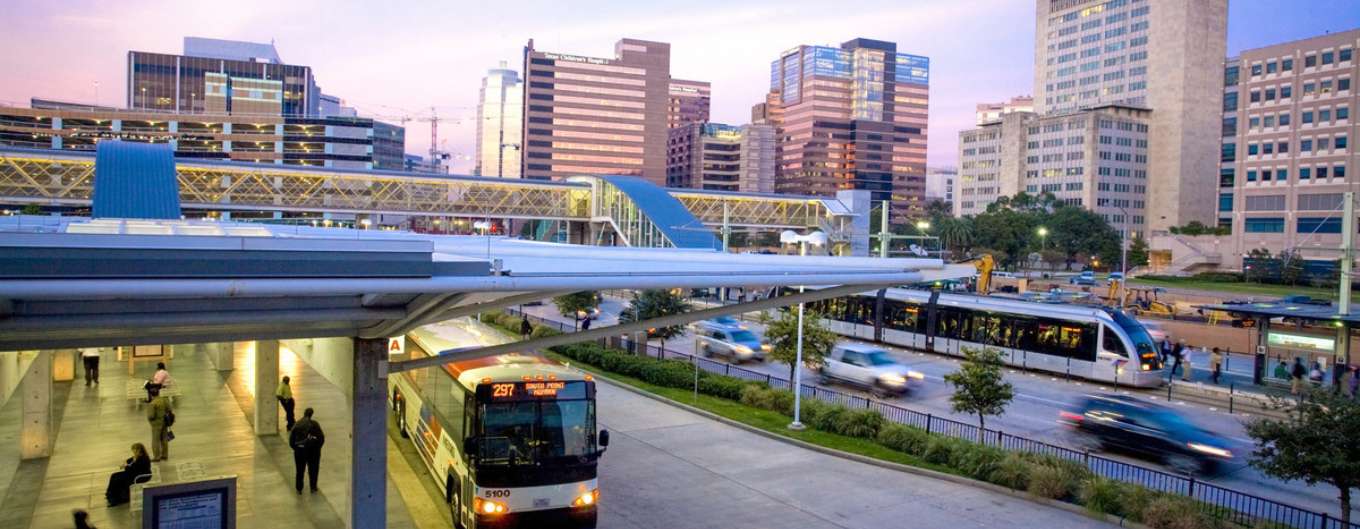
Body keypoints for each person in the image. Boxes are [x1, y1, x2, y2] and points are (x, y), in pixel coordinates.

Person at [289, 408, 325, 494]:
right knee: (313, 469)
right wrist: (317, 448)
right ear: (311, 414)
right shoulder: (314, 424)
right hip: (313, 451)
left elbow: (291, 441)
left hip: (300, 451)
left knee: (300, 470)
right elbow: (321, 438)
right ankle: (313, 487)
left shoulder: (297, 424)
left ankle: (299, 489)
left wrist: (297, 448)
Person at [146, 386, 173, 461]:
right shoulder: (164, 400)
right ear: (158, 393)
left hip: (156, 424)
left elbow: (151, 416)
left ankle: (157, 457)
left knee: (155, 441)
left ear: (151, 394)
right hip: (164, 422)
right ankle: (165, 455)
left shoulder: (152, 403)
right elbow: (169, 409)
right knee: (164, 439)